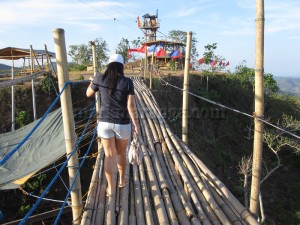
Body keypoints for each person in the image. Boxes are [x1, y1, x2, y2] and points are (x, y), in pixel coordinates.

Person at [86, 54, 138, 197]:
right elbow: (131, 106)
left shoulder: (99, 79)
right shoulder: (128, 82)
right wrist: (135, 124)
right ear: (121, 66)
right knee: (121, 153)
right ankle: (122, 180)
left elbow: (88, 94)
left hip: (104, 123)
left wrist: (93, 82)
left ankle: (110, 188)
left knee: (109, 155)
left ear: (109, 65)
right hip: (122, 123)